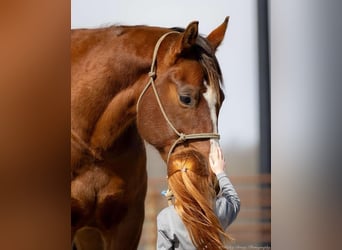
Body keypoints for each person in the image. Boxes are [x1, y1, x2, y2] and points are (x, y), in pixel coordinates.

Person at [156, 144, 240, 250]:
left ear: (170, 181)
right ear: (205, 178)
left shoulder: (166, 218)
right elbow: (234, 199)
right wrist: (219, 172)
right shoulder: (219, 209)